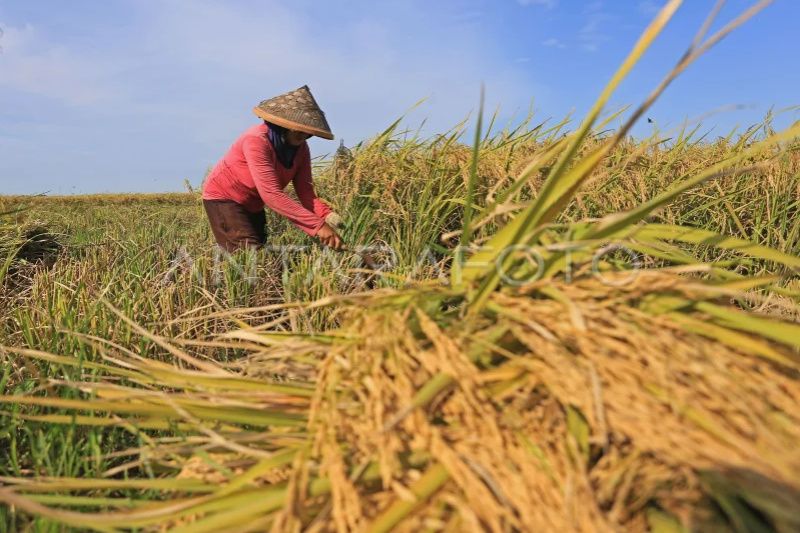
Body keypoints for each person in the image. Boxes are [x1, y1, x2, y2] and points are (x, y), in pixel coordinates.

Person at [202, 85, 343, 253]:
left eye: (307, 133)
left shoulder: (301, 149)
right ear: (282, 126)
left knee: (259, 250)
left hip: (253, 203)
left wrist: (328, 216)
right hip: (224, 198)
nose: (303, 136)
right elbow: (271, 194)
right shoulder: (256, 140)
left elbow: (306, 193)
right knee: (247, 255)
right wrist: (318, 227)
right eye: (298, 130)